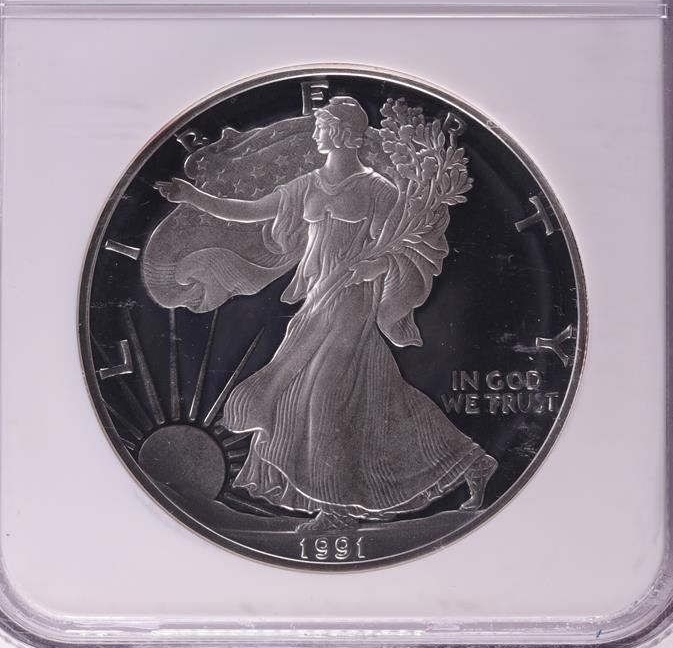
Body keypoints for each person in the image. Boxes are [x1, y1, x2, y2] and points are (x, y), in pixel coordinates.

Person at [155, 96, 496, 529]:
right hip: (319, 297)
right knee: (376, 395)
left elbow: (404, 247)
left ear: (342, 133)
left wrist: (375, 265)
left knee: (322, 396)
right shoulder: (308, 185)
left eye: (322, 125)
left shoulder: (377, 189)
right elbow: (248, 212)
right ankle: (471, 462)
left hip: (353, 299)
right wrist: (192, 196)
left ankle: (335, 512)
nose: (315, 132)